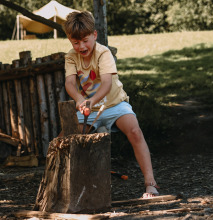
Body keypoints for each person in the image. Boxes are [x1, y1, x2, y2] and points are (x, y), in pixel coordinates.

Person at [62, 11, 159, 198]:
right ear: (69, 40)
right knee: (66, 139)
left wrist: (90, 100)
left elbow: (106, 84)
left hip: (114, 104)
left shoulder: (103, 53)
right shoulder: (71, 56)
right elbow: (69, 84)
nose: (81, 46)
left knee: (135, 132)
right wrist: (79, 100)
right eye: (75, 42)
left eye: (85, 40)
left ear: (94, 35)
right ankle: (65, 187)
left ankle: (150, 183)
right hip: (88, 107)